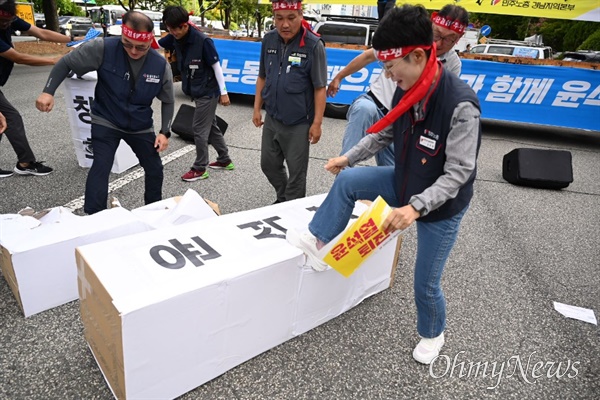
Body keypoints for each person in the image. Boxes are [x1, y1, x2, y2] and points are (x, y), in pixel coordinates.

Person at [287, 4, 481, 366]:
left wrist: (415, 208)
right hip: (406, 180)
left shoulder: (461, 106)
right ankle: (320, 243)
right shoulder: (409, 86)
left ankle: (433, 332)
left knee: (425, 283)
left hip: (440, 206)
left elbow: (458, 174)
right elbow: (386, 131)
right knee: (348, 181)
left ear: (420, 56)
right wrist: (349, 157)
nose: (389, 77)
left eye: (391, 68)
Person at [36, 11, 174, 214]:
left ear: (150, 41)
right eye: (127, 44)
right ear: (122, 35)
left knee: (155, 168)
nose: (134, 51)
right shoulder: (103, 48)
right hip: (106, 119)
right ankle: (94, 216)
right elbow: (66, 63)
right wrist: (48, 92)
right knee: (101, 165)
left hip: (140, 125)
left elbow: (168, 101)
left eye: (141, 47)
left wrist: (164, 131)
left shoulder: (160, 64)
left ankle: (153, 212)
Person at [327, 4, 468, 167]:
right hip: (374, 103)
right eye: (436, 34)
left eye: (449, 39)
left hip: (399, 120)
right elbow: (367, 57)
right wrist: (339, 76)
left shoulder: (452, 65)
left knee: (395, 176)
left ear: (458, 39)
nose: (440, 43)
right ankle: (342, 177)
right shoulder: (409, 39)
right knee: (363, 112)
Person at [252, 0, 327, 204]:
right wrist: (257, 108)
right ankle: (284, 198)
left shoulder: (313, 45)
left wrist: (317, 124)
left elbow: (320, 88)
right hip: (273, 117)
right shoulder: (268, 40)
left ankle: (291, 207)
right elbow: (262, 77)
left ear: (300, 16)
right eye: (279, 18)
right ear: (274, 18)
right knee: (268, 164)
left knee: (297, 172)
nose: (285, 24)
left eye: (291, 18)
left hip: (299, 123)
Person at [159, 6, 234, 182]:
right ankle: (224, 159)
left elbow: (216, 66)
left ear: (185, 25)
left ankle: (200, 168)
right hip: (196, 89)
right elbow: (156, 45)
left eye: (174, 29)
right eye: (169, 29)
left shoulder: (203, 41)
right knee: (211, 126)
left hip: (208, 91)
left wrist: (224, 93)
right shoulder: (175, 36)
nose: (172, 33)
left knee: (199, 129)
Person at [0, 0, 72, 178]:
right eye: (2, 22)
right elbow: (17, 57)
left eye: (9, 22)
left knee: (4, 120)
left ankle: (25, 162)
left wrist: (70, 40)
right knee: (11, 118)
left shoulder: (9, 17)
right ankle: (25, 163)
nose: (6, 25)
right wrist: (54, 61)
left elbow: (40, 32)